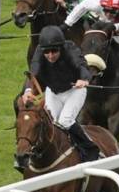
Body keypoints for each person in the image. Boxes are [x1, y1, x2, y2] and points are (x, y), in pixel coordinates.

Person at [26, 25, 100, 161]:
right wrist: (28, 90)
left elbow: (81, 66)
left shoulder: (70, 48)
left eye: (54, 51)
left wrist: (83, 79)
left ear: (61, 47)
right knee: (51, 124)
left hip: (74, 91)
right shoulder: (39, 52)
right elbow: (33, 74)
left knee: (65, 122)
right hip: (53, 92)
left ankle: (90, 149)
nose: (50, 55)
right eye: (47, 52)